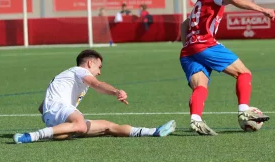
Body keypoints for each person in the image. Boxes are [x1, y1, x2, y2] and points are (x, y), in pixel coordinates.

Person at [179, 0, 275, 136]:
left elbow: (184, 24)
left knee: (200, 86)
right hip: (205, 45)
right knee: (243, 73)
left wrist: (189, 44)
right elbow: (235, 0)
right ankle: (244, 110)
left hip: (188, 50)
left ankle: (196, 120)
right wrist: (262, 10)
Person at [13, 49, 176, 144]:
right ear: (90, 63)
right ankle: (31, 136)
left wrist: (52, 117)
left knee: (107, 126)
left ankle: (154, 131)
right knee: (81, 125)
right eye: (99, 67)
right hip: (59, 110)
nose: (99, 71)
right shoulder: (79, 71)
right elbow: (97, 84)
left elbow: (42, 107)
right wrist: (116, 92)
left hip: (55, 115)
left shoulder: (68, 78)